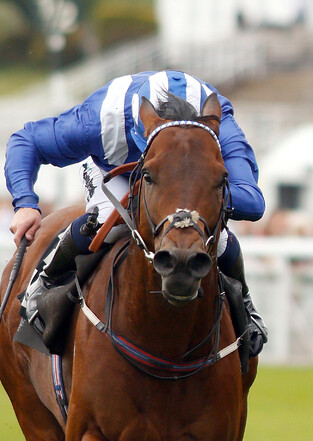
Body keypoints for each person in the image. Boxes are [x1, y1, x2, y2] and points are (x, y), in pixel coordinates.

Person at [5, 70, 268, 357]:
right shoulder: (102, 118)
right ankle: (40, 289)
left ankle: (246, 309)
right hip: (119, 171)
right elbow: (26, 141)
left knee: (218, 239)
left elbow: (253, 202)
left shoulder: (220, 123)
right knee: (104, 220)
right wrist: (25, 203)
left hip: (191, 183)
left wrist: (197, 193)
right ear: (141, 129)